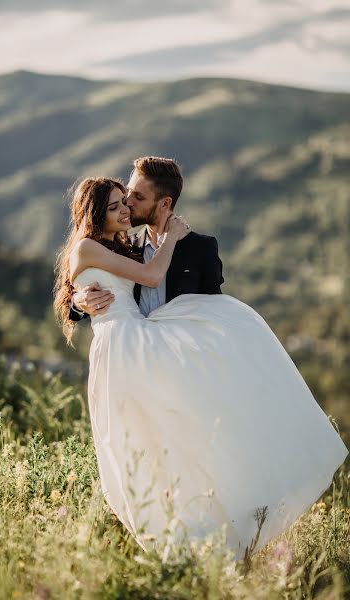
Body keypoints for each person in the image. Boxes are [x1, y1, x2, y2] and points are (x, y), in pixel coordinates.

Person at [53, 174, 348, 562]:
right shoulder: (114, 245)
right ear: (94, 212)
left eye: (132, 199)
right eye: (119, 203)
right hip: (129, 350)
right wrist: (78, 300)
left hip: (164, 355)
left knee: (188, 439)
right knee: (139, 442)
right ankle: (172, 539)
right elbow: (117, 277)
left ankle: (216, 528)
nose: (127, 208)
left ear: (165, 204)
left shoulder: (180, 247)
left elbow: (208, 305)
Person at [68, 156, 224, 321]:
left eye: (138, 197)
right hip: (130, 341)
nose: (127, 202)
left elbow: (214, 309)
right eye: (128, 193)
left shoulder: (201, 248)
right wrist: (78, 303)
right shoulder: (126, 246)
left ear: (165, 204)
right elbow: (88, 289)